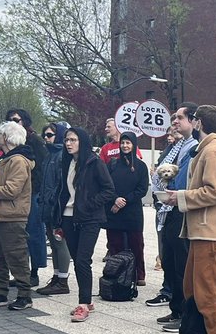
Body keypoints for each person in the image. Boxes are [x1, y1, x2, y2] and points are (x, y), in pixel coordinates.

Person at [165, 105, 216, 334]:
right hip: (203, 230)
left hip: (211, 231)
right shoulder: (207, 149)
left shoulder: (214, 152)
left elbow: (215, 192)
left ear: (198, 123)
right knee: (193, 287)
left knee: (208, 288)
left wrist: (181, 197)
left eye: (190, 119)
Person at [55, 127, 114, 323]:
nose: (68, 143)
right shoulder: (67, 162)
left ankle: (83, 303)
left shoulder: (94, 162)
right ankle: (86, 301)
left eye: (73, 140)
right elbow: (63, 191)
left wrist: (88, 205)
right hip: (68, 217)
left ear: (82, 141)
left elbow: (108, 190)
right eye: (66, 140)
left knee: (82, 260)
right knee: (77, 260)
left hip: (89, 218)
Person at [153, 104, 199, 330]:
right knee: (169, 261)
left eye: (179, 118)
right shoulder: (177, 145)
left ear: (193, 120)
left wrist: (171, 190)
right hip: (169, 208)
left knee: (181, 264)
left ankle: (184, 313)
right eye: (174, 118)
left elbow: (186, 180)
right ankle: (175, 308)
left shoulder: (195, 147)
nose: (175, 122)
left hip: (183, 209)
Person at [0, 121, 35, 311]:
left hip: (13, 216)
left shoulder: (18, 160)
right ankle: (0, 292)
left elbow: (12, 190)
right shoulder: (4, 159)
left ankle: (24, 295)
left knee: (17, 257)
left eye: (0, 134)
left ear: (7, 137)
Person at [5, 109, 48, 287]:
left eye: (17, 120)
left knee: (34, 232)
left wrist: (34, 188)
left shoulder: (34, 140)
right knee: (18, 235)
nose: (13, 122)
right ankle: (22, 271)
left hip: (33, 192)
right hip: (17, 193)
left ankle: (34, 272)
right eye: (10, 120)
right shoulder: (10, 142)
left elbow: (42, 167)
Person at [105, 132, 150, 286]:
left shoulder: (141, 166)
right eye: (123, 143)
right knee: (114, 244)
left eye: (128, 143)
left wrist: (124, 201)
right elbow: (106, 185)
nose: (125, 146)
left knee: (136, 244)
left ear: (133, 145)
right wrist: (115, 199)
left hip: (132, 212)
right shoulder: (112, 164)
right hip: (114, 211)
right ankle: (117, 273)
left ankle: (139, 274)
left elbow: (142, 189)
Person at [36, 122, 72, 295]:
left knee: (60, 242)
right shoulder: (50, 155)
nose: (46, 138)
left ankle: (63, 280)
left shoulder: (61, 156)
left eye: (49, 135)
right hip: (47, 205)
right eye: (45, 135)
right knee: (54, 243)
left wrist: (54, 202)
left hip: (57, 206)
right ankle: (57, 277)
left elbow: (62, 183)